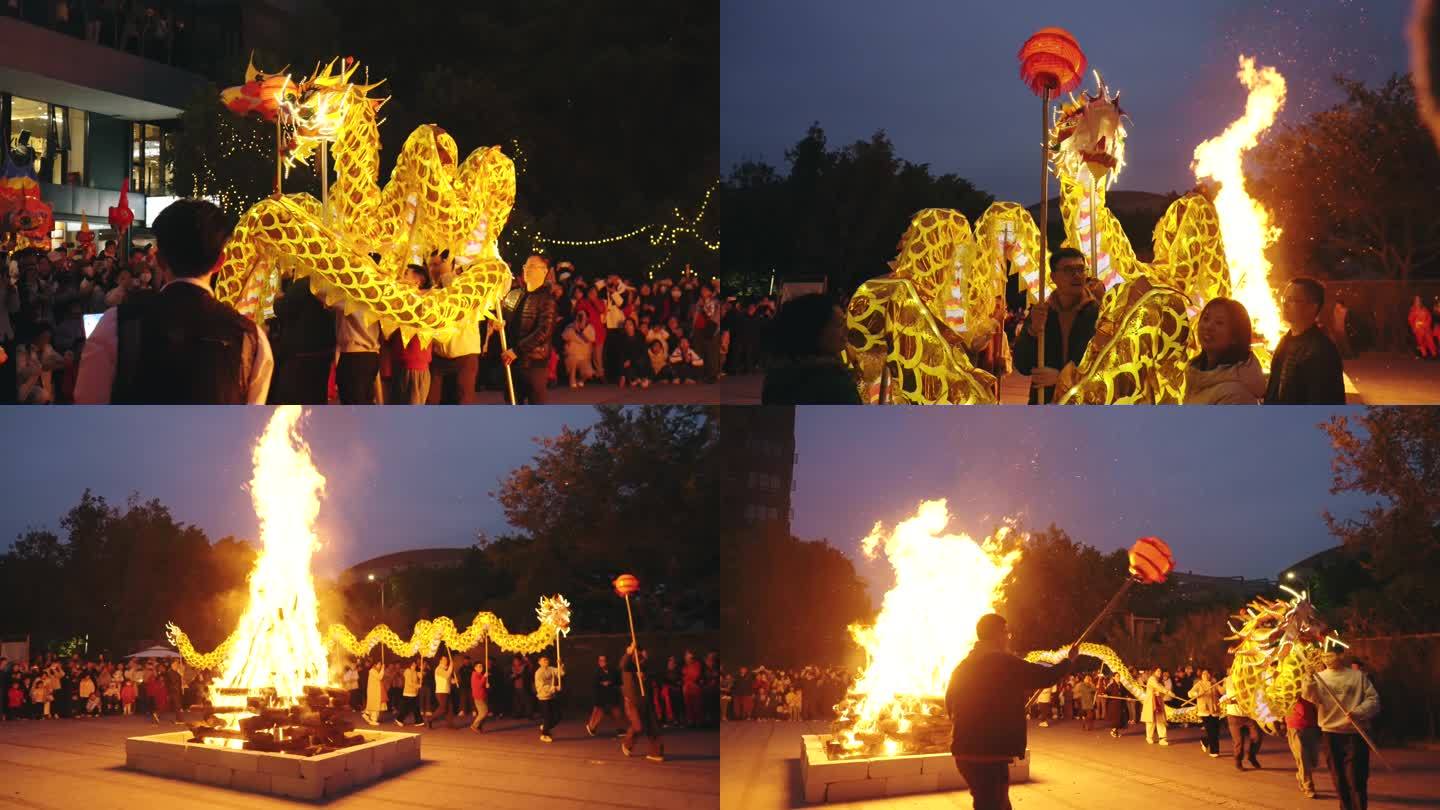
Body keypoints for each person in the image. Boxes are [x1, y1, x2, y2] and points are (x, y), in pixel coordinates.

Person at [75, 199, 274, 403]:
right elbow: (251, 426)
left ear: (160, 260)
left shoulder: (117, 324)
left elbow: (88, 408)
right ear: (219, 263)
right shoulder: (250, 338)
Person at [946, 614, 1079, 810]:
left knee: (995, 804)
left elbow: (950, 703)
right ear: (998, 634)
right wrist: (1069, 661)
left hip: (965, 752)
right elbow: (1044, 676)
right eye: (1007, 632)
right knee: (992, 805)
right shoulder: (1002, 662)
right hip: (988, 753)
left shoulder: (963, 666)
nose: (1009, 637)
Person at [1013, 248, 1100, 404]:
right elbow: (1022, 365)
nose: (1077, 275)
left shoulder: (1099, 314)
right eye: (1068, 270)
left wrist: (1061, 378)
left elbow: (1103, 367)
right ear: (1053, 277)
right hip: (1044, 402)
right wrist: (1033, 331)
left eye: (1081, 269)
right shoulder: (1042, 312)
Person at [1307, 652, 1381, 810]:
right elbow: (1310, 697)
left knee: (1356, 779)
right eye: (1324, 656)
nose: (1327, 658)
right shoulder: (1319, 678)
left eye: (1331, 654)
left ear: (1340, 655)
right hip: (1330, 733)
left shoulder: (1357, 677)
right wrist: (1308, 678)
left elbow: (1373, 700)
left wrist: (1358, 711)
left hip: (1355, 733)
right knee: (1338, 778)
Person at [761, 293, 859, 404]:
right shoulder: (832, 381)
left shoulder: (777, 375)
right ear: (815, 330)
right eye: (840, 324)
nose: (847, 330)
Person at [1264, 277, 1345, 404]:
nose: (1284, 304)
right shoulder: (1285, 342)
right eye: (1284, 299)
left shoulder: (1321, 351)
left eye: (1291, 300)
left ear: (1312, 307)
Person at [1184, 298, 1265, 404]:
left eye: (1219, 323)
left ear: (1236, 336)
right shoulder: (1196, 375)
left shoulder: (1236, 395)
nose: (1208, 326)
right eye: (1206, 318)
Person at [501, 256, 557, 404]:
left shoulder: (547, 299)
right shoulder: (515, 294)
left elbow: (544, 331)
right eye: (526, 266)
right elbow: (505, 318)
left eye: (532, 266)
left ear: (544, 271)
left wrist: (517, 350)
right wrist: (499, 323)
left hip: (534, 363)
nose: (527, 270)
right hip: (513, 362)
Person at [619, 644, 665, 762]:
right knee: (638, 726)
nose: (641, 658)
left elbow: (655, 675)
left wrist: (645, 676)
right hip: (632, 700)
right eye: (638, 655)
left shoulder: (645, 665)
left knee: (653, 727)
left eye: (642, 656)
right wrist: (628, 652)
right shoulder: (629, 665)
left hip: (646, 700)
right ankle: (627, 743)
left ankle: (656, 753)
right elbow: (623, 665)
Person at [1286, 695, 1321, 799]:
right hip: (1295, 727)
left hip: (1312, 727)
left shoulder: (1311, 687)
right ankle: (1309, 787)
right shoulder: (1286, 688)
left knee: (1314, 761)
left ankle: (1301, 775)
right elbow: (1279, 708)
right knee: (1303, 759)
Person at [1223, 687, 1263, 770]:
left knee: (1257, 736)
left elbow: (1252, 697)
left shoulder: (1248, 679)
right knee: (1239, 741)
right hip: (1234, 716)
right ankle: (1238, 760)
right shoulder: (1229, 681)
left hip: (1249, 715)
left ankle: (1251, 756)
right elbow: (1225, 693)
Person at [585, 654, 624, 737]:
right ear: (598, 662)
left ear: (608, 661)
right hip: (601, 697)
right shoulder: (597, 672)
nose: (602, 662)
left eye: (604, 661)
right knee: (598, 713)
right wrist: (602, 684)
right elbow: (594, 685)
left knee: (617, 713)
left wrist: (611, 683)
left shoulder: (614, 671)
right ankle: (592, 727)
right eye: (600, 661)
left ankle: (620, 730)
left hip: (612, 696)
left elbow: (619, 682)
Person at [1189, 670, 1222, 757]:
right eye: (1204, 674)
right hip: (1205, 711)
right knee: (1211, 731)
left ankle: (1205, 741)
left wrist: (1226, 683)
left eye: (1207, 673)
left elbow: (1222, 692)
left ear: (1210, 675)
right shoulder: (1199, 684)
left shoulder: (1214, 684)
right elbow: (1190, 693)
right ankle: (1214, 751)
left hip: (1215, 711)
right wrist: (1198, 693)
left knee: (1216, 732)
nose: (1206, 675)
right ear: (1201, 676)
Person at [561, 308, 597, 388]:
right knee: (572, 360)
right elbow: (565, 337)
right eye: (579, 316)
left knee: (589, 373)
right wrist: (574, 327)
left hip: (584, 357)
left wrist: (581, 330)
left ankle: (581, 380)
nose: (581, 318)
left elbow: (590, 339)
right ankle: (572, 379)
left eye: (583, 316)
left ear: (587, 318)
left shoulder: (590, 328)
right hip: (572, 356)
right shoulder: (570, 326)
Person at [534, 655, 564, 743]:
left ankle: (545, 727)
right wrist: (554, 688)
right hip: (543, 698)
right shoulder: (538, 673)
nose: (546, 661)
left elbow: (561, 674)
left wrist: (560, 665)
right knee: (547, 717)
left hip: (551, 696)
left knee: (558, 716)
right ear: (539, 662)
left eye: (547, 659)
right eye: (543, 660)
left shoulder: (551, 669)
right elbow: (541, 687)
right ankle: (544, 734)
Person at [1142, 668, 1172, 745]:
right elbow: (1157, 686)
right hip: (1151, 703)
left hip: (1158, 703)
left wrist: (1162, 693)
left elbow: (1161, 691)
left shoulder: (1160, 681)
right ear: (1154, 672)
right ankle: (1149, 737)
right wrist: (1167, 691)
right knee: (1150, 721)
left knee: (1160, 721)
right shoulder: (1152, 679)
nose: (1160, 672)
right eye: (1158, 671)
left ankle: (1162, 739)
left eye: (1160, 671)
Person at [428, 653, 455, 729]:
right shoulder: (439, 669)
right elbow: (446, 675)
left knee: (450, 708)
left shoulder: (444, 669)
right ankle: (430, 719)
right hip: (441, 691)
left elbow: (449, 679)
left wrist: (453, 681)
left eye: (446, 659)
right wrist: (451, 666)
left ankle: (450, 725)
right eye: (444, 659)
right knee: (443, 708)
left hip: (446, 691)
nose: (446, 661)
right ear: (440, 661)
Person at [395, 660, 423, 727]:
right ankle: (399, 719)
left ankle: (418, 721)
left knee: (415, 708)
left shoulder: (415, 672)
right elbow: (409, 683)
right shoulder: (407, 671)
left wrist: (421, 673)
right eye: (413, 664)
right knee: (406, 709)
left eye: (415, 664)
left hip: (414, 693)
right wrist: (417, 686)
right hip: (408, 693)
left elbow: (420, 677)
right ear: (409, 665)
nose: (414, 665)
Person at [469, 661, 490, 733]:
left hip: (482, 695)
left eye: (481, 666)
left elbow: (482, 684)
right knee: (484, 712)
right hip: (478, 696)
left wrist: (486, 685)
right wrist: (484, 677)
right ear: (475, 668)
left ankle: (478, 726)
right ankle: (474, 725)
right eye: (479, 666)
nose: (481, 668)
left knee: (483, 712)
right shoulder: (475, 675)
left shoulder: (479, 675)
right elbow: (478, 685)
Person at [364, 659, 384, 725]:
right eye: (379, 664)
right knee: (375, 705)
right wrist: (383, 669)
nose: (380, 665)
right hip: (373, 691)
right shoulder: (372, 671)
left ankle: (367, 714)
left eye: (380, 664)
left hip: (374, 691)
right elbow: (380, 677)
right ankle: (373, 720)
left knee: (373, 705)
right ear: (375, 664)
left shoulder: (374, 671)